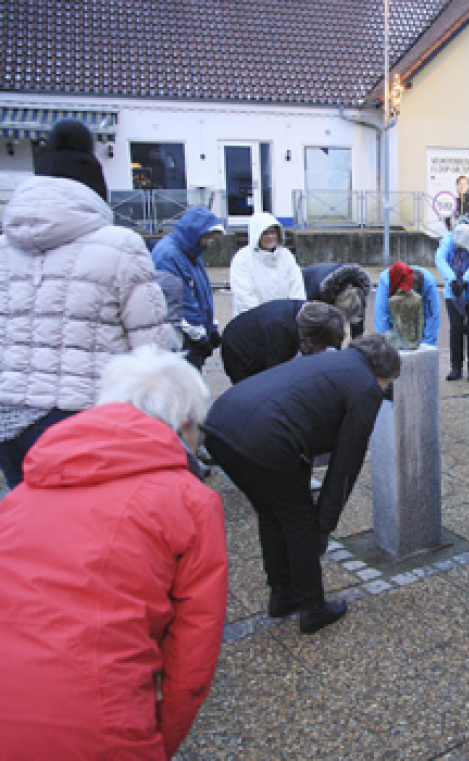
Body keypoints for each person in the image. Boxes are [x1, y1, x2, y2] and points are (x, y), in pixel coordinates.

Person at [0, 346, 227, 759]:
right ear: (181, 425)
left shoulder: (22, 494)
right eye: (198, 432)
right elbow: (191, 657)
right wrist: (158, 741)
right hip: (90, 724)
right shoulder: (190, 502)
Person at [0, 119, 171, 487]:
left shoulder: (4, 247)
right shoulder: (120, 245)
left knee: (31, 522)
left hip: (8, 417)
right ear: (95, 190)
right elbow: (151, 347)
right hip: (86, 415)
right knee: (91, 528)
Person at [203, 335, 400, 635]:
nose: (384, 392)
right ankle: (313, 608)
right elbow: (346, 465)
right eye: (387, 385)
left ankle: (282, 595)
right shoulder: (366, 387)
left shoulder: (336, 362)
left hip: (220, 425)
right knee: (299, 520)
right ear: (381, 375)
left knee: (271, 512)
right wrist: (322, 526)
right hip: (263, 438)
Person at [152, 206, 226, 370]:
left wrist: (211, 326)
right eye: (207, 237)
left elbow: (202, 294)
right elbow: (180, 303)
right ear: (194, 233)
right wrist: (200, 337)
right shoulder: (168, 256)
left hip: (190, 336)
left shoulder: (191, 251)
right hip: (179, 340)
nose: (209, 243)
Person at [221, 300, 345, 384]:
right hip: (240, 352)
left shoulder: (324, 319)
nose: (324, 350)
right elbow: (279, 380)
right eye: (321, 346)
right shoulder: (281, 330)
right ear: (309, 340)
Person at [435, 219, 469, 381]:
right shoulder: (447, 240)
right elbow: (440, 259)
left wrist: (466, 278)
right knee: (456, 328)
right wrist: (452, 279)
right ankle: (455, 368)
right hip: (453, 291)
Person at [229, 212, 305, 316]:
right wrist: (264, 320)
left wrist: (294, 313)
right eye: (265, 232)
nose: (270, 236)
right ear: (256, 233)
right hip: (253, 323)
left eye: (273, 232)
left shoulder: (286, 256)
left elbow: (297, 288)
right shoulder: (242, 259)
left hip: (284, 321)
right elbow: (244, 297)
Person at [374, 260, 441, 347]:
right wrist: (386, 346)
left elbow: (433, 317)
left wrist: (427, 346)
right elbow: (381, 316)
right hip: (395, 323)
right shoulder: (385, 280)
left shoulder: (429, 283)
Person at [301, 262, 372, 339]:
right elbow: (308, 318)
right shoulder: (318, 292)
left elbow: (358, 326)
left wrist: (357, 344)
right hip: (307, 282)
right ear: (337, 302)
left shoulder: (359, 294)